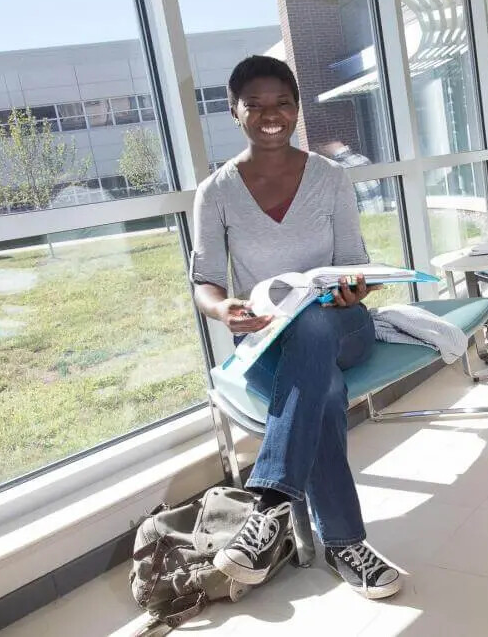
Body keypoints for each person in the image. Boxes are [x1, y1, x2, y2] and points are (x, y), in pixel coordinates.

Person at [189, 55, 402, 600]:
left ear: (297, 107)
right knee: (322, 391)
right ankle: (346, 545)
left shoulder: (330, 178)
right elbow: (205, 282)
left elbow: (356, 261)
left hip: (342, 325)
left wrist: (357, 287)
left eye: (282, 102)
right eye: (255, 105)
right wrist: (223, 310)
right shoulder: (215, 192)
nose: (271, 114)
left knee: (312, 328)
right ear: (234, 112)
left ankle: (269, 501)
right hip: (264, 337)